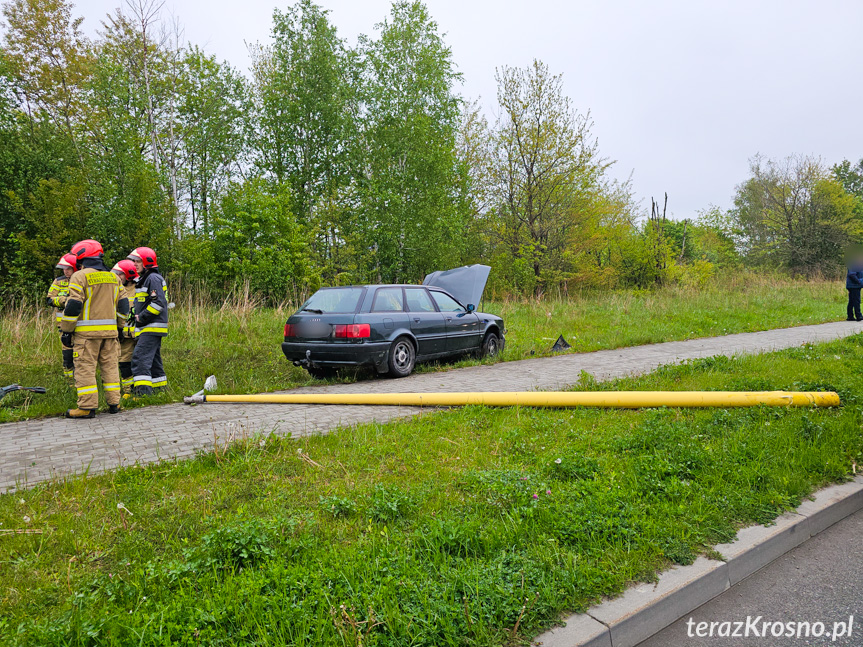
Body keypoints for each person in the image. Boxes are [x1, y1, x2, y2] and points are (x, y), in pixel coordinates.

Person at [60, 239, 129, 419]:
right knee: (111, 368)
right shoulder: (113, 277)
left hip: (86, 335)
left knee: (85, 369)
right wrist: (120, 327)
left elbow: (73, 305)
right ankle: (115, 403)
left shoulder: (79, 276)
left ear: (81, 257)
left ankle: (87, 407)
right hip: (110, 333)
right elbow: (123, 306)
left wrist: (66, 330)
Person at [127, 246, 168, 395]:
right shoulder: (144, 279)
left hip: (152, 326)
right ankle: (160, 391)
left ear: (147, 262)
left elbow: (158, 304)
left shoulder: (152, 278)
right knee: (155, 362)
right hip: (148, 327)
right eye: (134, 261)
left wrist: (141, 317)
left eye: (138, 261)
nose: (135, 264)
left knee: (140, 358)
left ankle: (143, 393)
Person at [46, 253, 77, 379]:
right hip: (63, 323)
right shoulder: (58, 281)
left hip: (79, 323)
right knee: (67, 350)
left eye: (68, 268)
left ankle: (80, 377)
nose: (65, 271)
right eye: (64, 268)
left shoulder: (81, 280)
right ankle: (69, 379)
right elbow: (49, 299)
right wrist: (64, 301)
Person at [111, 260, 139, 391]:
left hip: (139, 333)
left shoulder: (139, 288)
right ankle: (128, 390)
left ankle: (143, 389)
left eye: (120, 274)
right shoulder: (116, 289)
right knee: (124, 362)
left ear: (129, 274)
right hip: (124, 334)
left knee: (141, 361)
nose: (118, 277)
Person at [847, 257, 863, 322]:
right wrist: (859, 282)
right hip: (854, 286)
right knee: (856, 301)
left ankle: (850, 316)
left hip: (855, 285)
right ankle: (858, 316)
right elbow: (852, 275)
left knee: (852, 301)